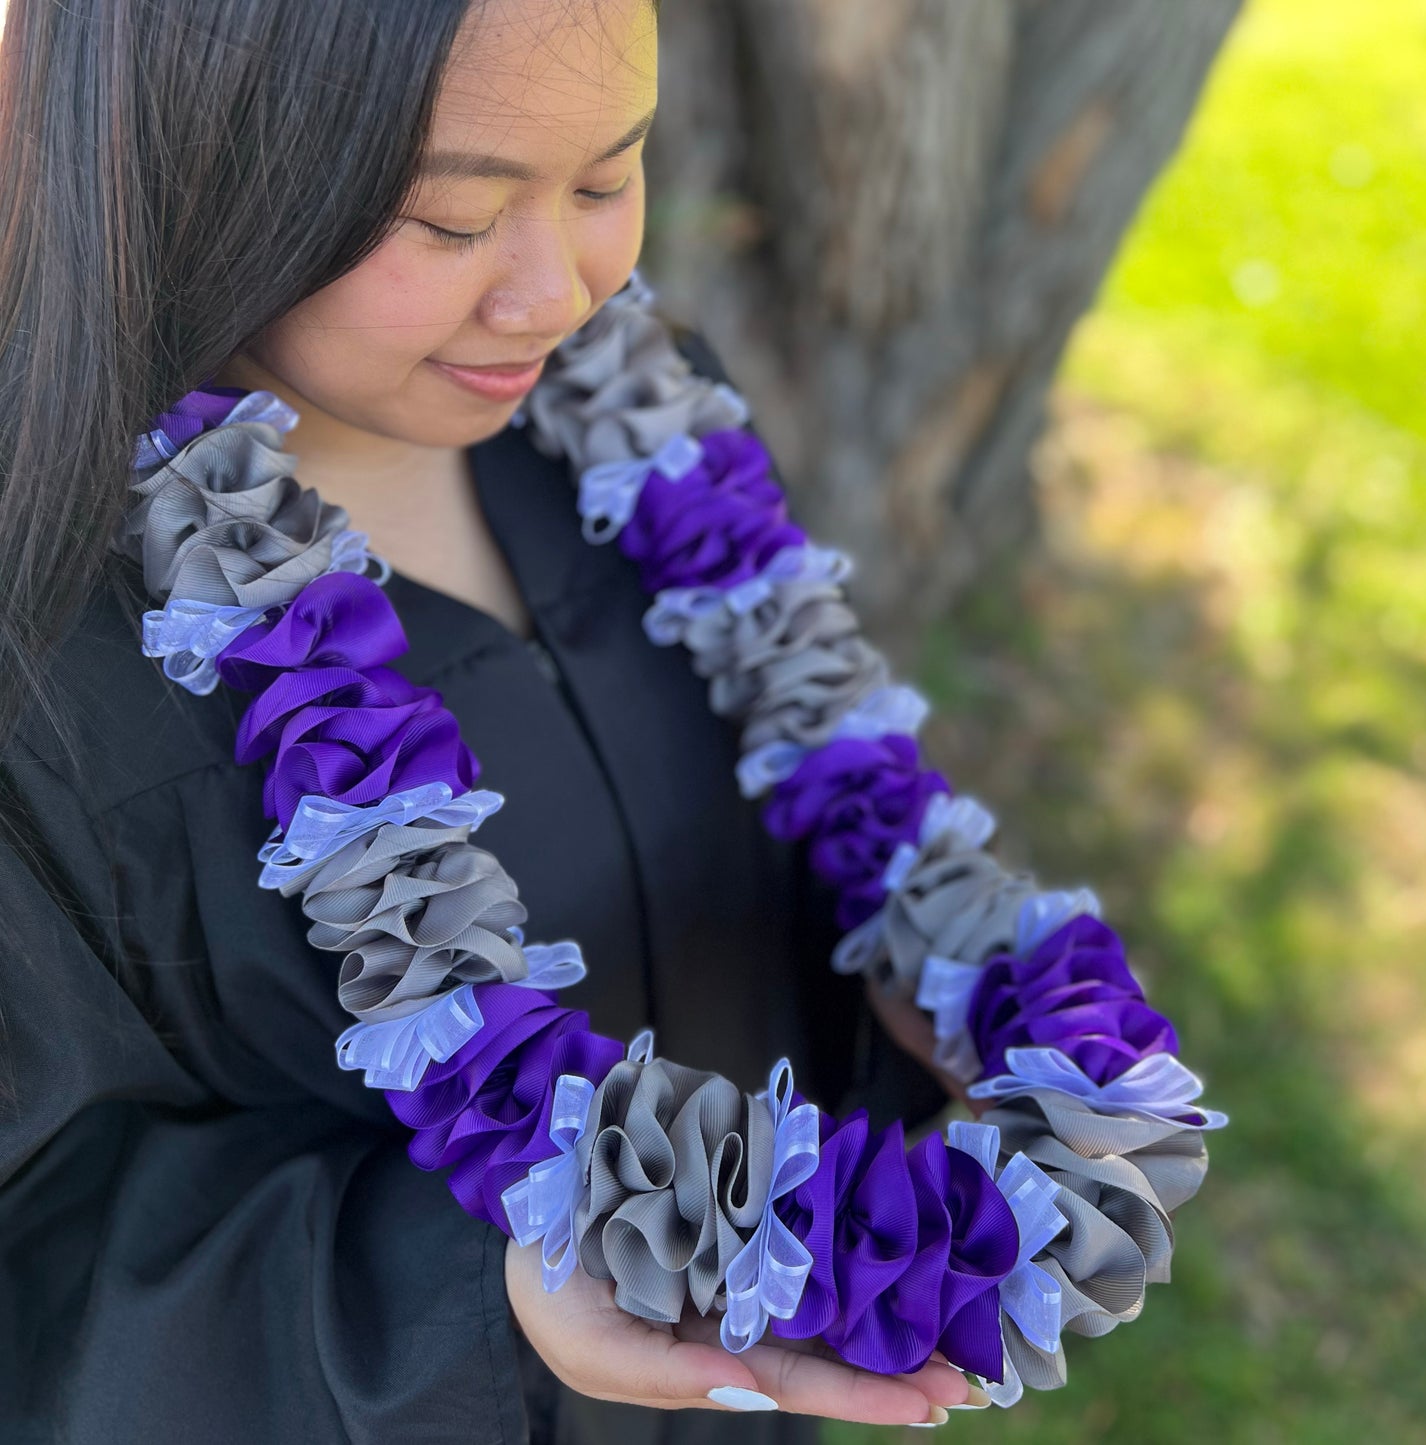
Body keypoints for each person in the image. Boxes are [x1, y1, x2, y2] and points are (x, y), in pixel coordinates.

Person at [0, 0, 986, 1439]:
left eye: (604, 178)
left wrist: (905, 970)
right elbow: (43, 1262)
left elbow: (746, 812)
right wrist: (487, 1288)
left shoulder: (636, 433)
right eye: (453, 220)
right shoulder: (47, 657)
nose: (557, 294)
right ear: (199, 163)